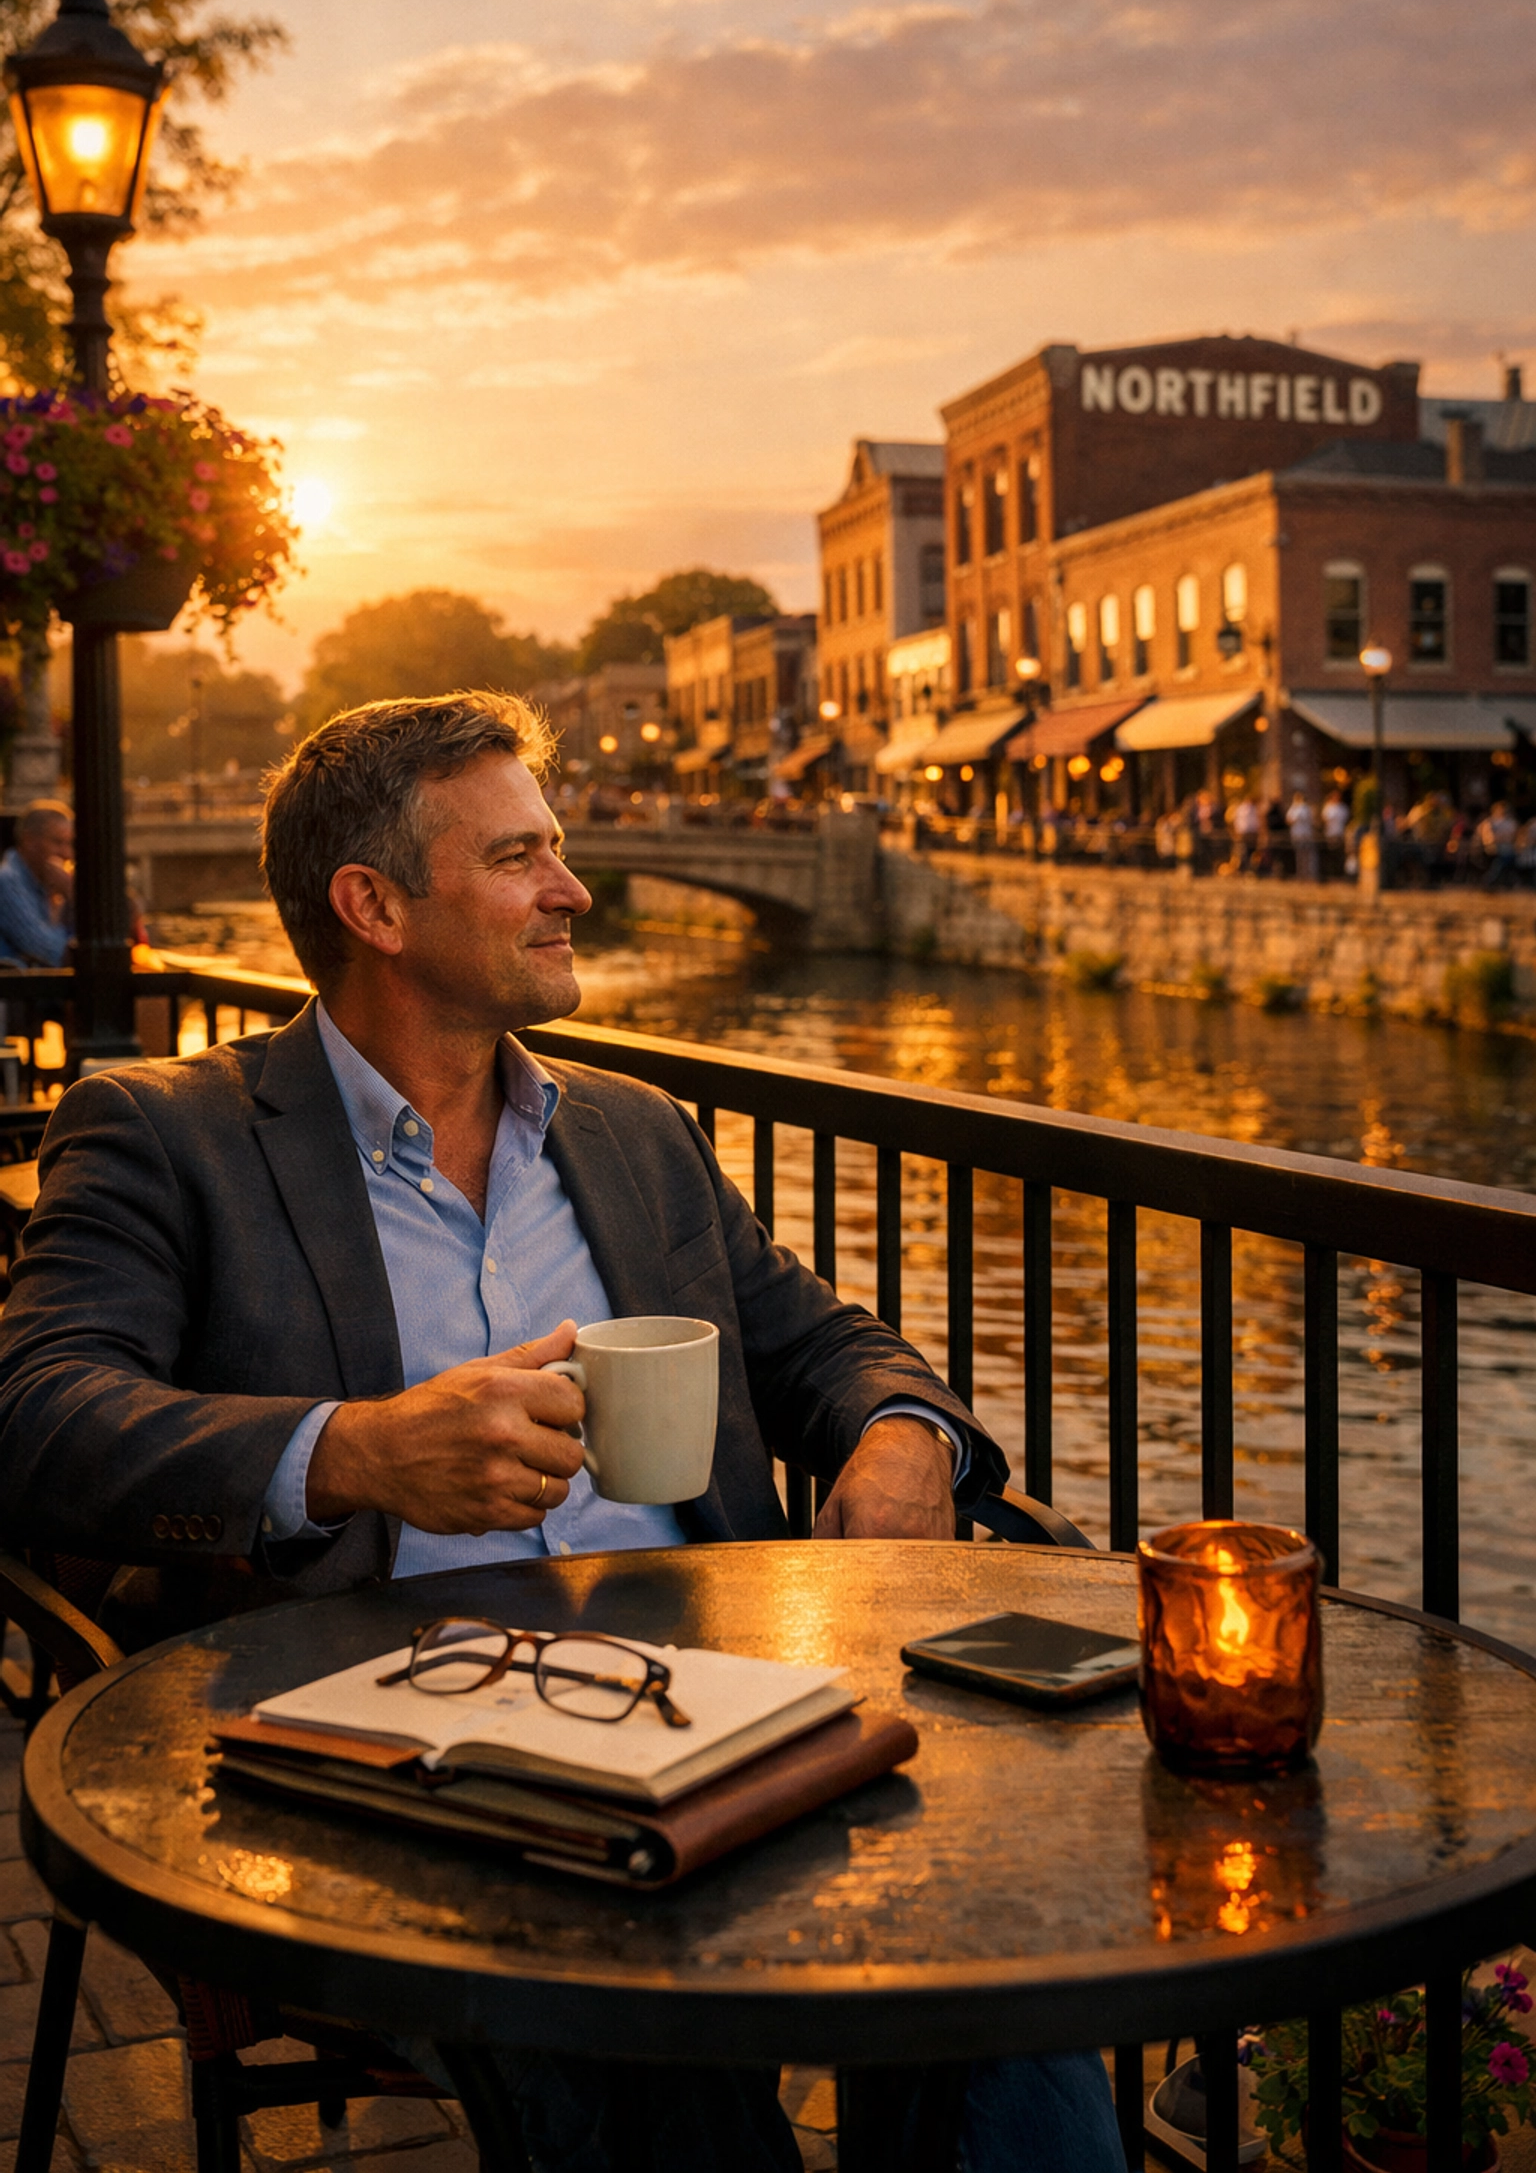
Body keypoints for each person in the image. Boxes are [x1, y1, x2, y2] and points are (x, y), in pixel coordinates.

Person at [0, 692, 1122, 2173]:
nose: (574, 889)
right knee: (624, 2018)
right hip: (386, 1752)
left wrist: (905, 1428)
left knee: (1003, 1930)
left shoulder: (633, 1129)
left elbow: (819, 1342)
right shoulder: (164, 1132)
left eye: (562, 848)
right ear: (376, 906)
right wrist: (354, 1451)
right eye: (523, 854)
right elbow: (37, 1416)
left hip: (720, 1696)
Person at [0, 798, 73, 967]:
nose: (67, 854)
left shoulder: (46, 885)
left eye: (69, 844)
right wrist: (71, 893)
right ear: (29, 841)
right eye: (57, 842)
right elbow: (52, 952)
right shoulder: (7, 881)